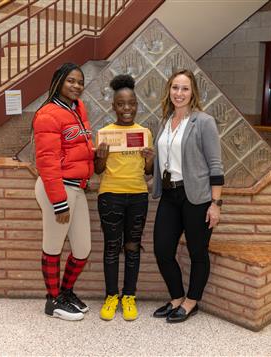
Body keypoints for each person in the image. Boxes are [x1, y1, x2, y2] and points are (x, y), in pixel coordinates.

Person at [151, 69, 224, 323]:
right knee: (162, 250)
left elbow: (216, 165)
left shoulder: (203, 121)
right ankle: (176, 297)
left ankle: (191, 301)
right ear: (168, 90)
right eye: (174, 88)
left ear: (192, 92)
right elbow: (163, 160)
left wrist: (215, 204)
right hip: (169, 195)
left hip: (197, 197)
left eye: (184, 88)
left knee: (197, 252)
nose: (178, 93)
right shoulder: (164, 121)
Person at [33, 63, 94, 321]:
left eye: (80, 82)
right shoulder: (47, 114)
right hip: (55, 189)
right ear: (58, 81)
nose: (76, 86)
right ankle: (53, 300)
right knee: (53, 246)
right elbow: (47, 161)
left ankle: (66, 291)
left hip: (76, 188)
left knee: (82, 248)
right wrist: (59, 202)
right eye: (71, 80)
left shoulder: (78, 108)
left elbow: (79, 148)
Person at [94, 74, 154, 321]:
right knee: (111, 247)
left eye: (131, 103)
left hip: (138, 196)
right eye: (121, 104)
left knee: (132, 247)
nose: (126, 108)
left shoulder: (145, 132)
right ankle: (111, 296)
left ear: (137, 105)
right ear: (114, 106)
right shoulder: (104, 133)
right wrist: (101, 157)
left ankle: (129, 296)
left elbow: (148, 172)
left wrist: (150, 160)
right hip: (110, 196)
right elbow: (98, 170)